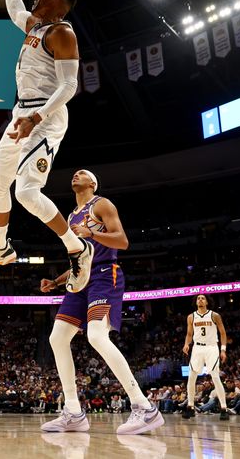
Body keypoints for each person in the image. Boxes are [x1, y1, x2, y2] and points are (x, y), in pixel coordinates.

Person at [0, 0, 93, 293]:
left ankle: (77, 248)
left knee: (25, 192)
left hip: (46, 117)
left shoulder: (61, 33)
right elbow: (15, 11)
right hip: (21, 115)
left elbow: (69, 86)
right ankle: (0, 249)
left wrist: (36, 118)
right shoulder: (36, 28)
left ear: (55, 1)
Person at [39, 170, 164, 435]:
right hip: (80, 277)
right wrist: (57, 282)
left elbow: (122, 240)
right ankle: (73, 412)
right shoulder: (72, 215)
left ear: (93, 183)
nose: (76, 175)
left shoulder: (102, 204)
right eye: (74, 173)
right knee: (57, 338)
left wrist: (91, 233)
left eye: (82, 174)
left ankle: (144, 407)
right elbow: (80, 258)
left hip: (105, 275)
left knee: (96, 336)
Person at [182, 294, 229, 420]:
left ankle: (224, 408)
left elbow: (223, 333)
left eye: (203, 298)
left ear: (207, 302)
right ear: (196, 302)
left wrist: (223, 350)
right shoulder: (191, 317)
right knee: (191, 376)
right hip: (197, 348)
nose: (200, 300)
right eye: (198, 298)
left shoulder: (214, 315)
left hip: (211, 347)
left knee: (215, 376)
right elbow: (189, 334)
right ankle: (190, 406)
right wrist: (186, 344)